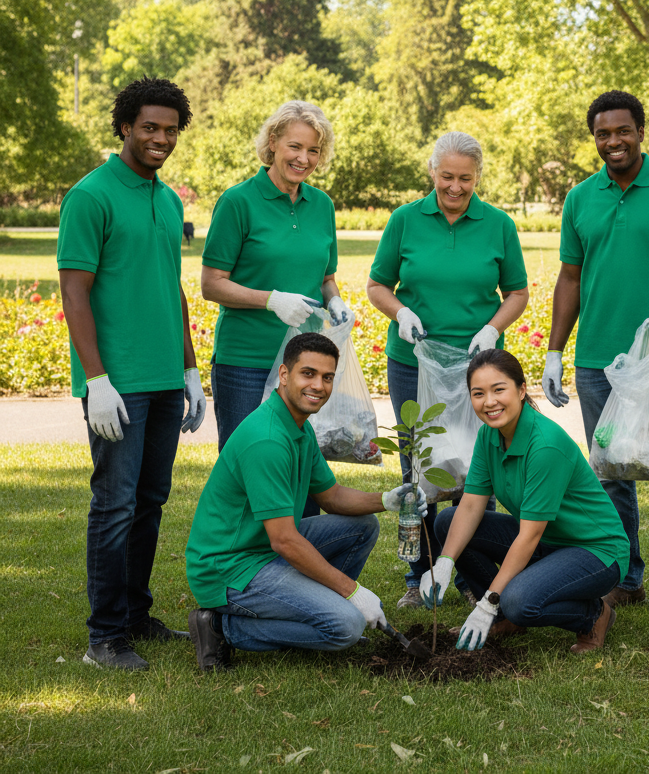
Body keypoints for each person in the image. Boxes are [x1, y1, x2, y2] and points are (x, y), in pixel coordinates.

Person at [543, 90, 649, 623]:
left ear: (641, 132)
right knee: (612, 475)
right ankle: (626, 579)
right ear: (594, 139)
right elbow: (569, 278)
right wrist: (555, 351)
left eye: (623, 131)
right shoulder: (580, 198)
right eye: (603, 133)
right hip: (597, 362)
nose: (613, 141)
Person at [58, 77, 208, 672]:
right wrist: (96, 381)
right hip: (117, 383)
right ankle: (105, 638)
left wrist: (190, 369)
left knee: (149, 502)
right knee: (114, 505)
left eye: (170, 130)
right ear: (125, 126)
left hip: (166, 377)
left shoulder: (168, 200)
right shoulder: (90, 196)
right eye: (149, 127)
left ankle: (136, 615)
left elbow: (171, 288)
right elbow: (75, 292)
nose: (160, 138)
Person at [184, 332, 427, 672]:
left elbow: (332, 496)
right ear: (284, 374)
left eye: (327, 377)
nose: (318, 385)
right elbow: (284, 540)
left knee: (362, 526)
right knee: (346, 626)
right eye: (308, 373)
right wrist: (352, 592)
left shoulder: (298, 427)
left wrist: (387, 500)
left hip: (262, 552)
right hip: (230, 568)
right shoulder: (267, 439)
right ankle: (221, 627)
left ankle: (318, 609)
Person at [366, 131, 529, 609]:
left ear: (477, 177)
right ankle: (417, 574)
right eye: (447, 177)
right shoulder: (405, 220)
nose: (455, 187)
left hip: (478, 366)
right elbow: (377, 284)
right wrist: (400, 313)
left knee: (477, 466)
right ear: (432, 172)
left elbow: (517, 292)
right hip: (414, 363)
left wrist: (494, 328)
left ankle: (470, 575)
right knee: (419, 468)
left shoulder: (498, 224)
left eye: (466, 178)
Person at [419, 349, 628, 654]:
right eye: (478, 393)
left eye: (498, 389)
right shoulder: (488, 436)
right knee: (448, 522)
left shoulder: (544, 445)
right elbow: (471, 505)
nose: (489, 402)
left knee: (518, 601)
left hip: (594, 551)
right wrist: (444, 562)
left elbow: (529, 535)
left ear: (521, 390)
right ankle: (504, 617)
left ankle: (593, 615)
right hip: (546, 542)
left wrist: (488, 602)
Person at [201, 100, 353, 517]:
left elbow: (325, 277)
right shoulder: (238, 202)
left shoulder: (321, 205)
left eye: (314, 150)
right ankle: (241, 555)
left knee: (303, 470)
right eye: (295, 146)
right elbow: (211, 284)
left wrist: (335, 300)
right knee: (249, 469)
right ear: (272, 143)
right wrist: (270, 300)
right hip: (246, 363)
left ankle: (302, 556)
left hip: (305, 365)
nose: (304, 158)